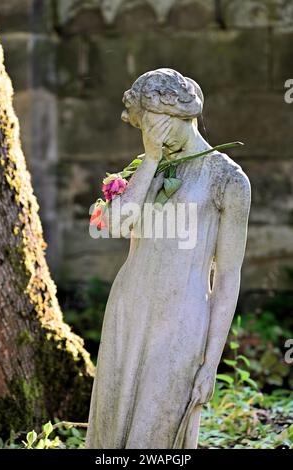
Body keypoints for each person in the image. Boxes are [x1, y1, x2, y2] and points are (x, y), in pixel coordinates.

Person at [86, 68, 251, 449]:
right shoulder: (144, 168)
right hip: (128, 312)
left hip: (181, 319)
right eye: (143, 128)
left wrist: (210, 364)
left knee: (156, 433)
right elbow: (113, 225)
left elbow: (227, 277)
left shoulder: (227, 179)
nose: (149, 135)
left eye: (154, 125)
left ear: (180, 113)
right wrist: (150, 159)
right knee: (111, 433)